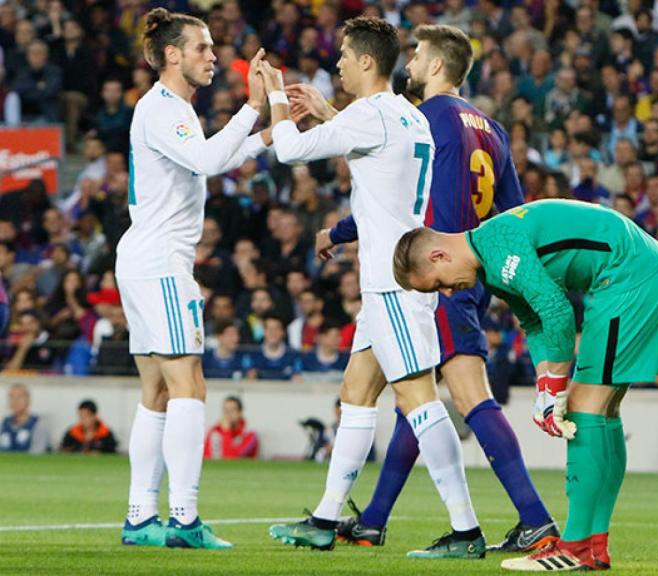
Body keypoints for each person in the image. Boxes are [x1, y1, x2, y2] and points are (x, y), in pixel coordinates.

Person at [293, 24, 558, 553]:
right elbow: (514, 212)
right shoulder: (491, 128)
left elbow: (406, 199)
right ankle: (371, 520)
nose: (408, 66)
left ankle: (532, 518)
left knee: (459, 395)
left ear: (437, 66)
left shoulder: (424, 117)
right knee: (402, 396)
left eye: (416, 57)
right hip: (471, 270)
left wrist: (342, 232)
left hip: (432, 270)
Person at [261, 17, 485, 558]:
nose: (336, 63)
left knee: (418, 400)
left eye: (342, 54)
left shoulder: (372, 115)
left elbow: (290, 151)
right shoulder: (408, 117)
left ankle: (466, 530)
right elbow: (376, 156)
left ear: (366, 61)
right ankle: (324, 517)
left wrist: (273, 96)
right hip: (394, 282)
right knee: (356, 394)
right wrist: (330, 113)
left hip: (394, 285)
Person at [393, 199, 658, 571]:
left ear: (438, 256)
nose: (447, 292)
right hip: (639, 274)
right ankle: (593, 545)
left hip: (629, 279)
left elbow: (558, 313)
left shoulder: (499, 247)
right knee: (602, 411)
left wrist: (555, 391)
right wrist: (546, 389)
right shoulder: (490, 260)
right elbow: (534, 324)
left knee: (584, 408)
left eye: (437, 285)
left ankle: (574, 546)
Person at [115, 8, 273, 549]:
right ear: (173, 55)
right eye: (203, 47)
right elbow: (206, 160)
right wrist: (252, 107)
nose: (213, 56)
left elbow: (205, 159)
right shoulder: (165, 108)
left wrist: (260, 137)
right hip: (161, 262)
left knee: (156, 391)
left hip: (141, 258)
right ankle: (183, 520)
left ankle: (140, 518)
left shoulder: (167, 109)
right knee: (189, 386)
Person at [244, 315, 302, 380]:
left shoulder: (293, 355)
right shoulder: (253, 355)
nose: (272, 332)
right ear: (264, 331)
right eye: (269, 328)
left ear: (283, 332)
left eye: (276, 329)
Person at [0, 384, 49, 453]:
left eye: (19, 397)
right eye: (11, 397)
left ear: (28, 400)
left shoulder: (38, 425)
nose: (15, 401)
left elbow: (38, 453)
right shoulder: (4, 423)